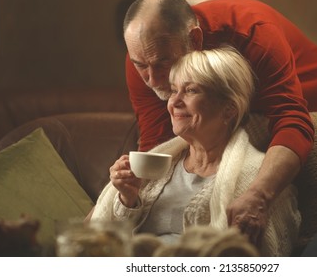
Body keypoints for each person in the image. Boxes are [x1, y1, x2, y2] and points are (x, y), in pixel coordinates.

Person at [120, 0, 317, 243]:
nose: (152, 79)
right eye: (141, 65)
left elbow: (291, 119)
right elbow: (157, 140)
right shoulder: (146, 55)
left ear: (195, 39)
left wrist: (259, 196)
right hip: (244, 115)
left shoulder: (253, 31)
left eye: (163, 63)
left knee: (281, 200)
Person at [90, 46, 302, 256]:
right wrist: (129, 198)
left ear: (229, 108)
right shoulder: (160, 165)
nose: (174, 102)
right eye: (173, 90)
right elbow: (111, 243)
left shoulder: (258, 180)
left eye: (191, 90)